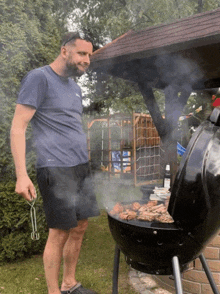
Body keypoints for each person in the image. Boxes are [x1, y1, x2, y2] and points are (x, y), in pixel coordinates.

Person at [10, 32, 100, 294]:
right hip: (54, 166)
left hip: (80, 165)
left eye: (90, 55)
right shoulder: (39, 78)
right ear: (64, 51)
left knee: (80, 226)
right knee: (59, 232)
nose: (87, 60)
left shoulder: (74, 87)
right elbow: (18, 127)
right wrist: (21, 175)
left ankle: (69, 282)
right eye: (82, 54)